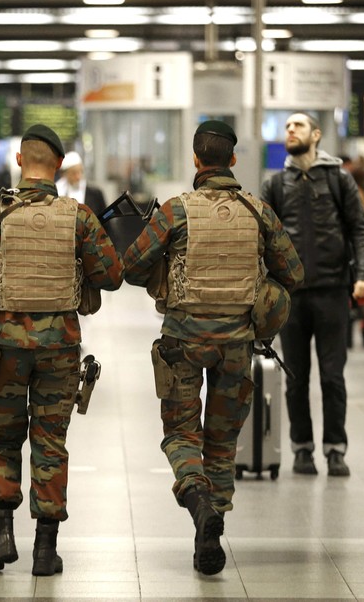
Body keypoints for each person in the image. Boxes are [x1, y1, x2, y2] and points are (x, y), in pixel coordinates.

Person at [0, 125, 124, 576]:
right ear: (59, 166)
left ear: (19, 162)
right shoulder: (77, 216)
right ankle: (45, 549)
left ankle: (0, 537)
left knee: (1, 438)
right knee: (50, 441)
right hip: (60, 349)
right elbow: (113, 275)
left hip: (1, 348)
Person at [124, 121, 303, 576]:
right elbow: (294, 273)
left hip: (182, 342)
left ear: (196, 160)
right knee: (223, 442)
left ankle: (197, 498)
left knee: (182, 433)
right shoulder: (258, 210)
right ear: (234, 160)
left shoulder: (175, 211)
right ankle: (213, 526)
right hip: (237, 346)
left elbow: (130, 267)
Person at [260, 111, 364, 478]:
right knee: (295, 376)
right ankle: (302, 448)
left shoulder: (338, 179)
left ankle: (335, 448)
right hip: (291, 295)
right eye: (287, 126)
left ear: (317, 135)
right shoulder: (275, 183)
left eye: (298, 125)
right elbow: (262, 238)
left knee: (332, 376)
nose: (290, 130)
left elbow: (359, 229)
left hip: (332, 291)